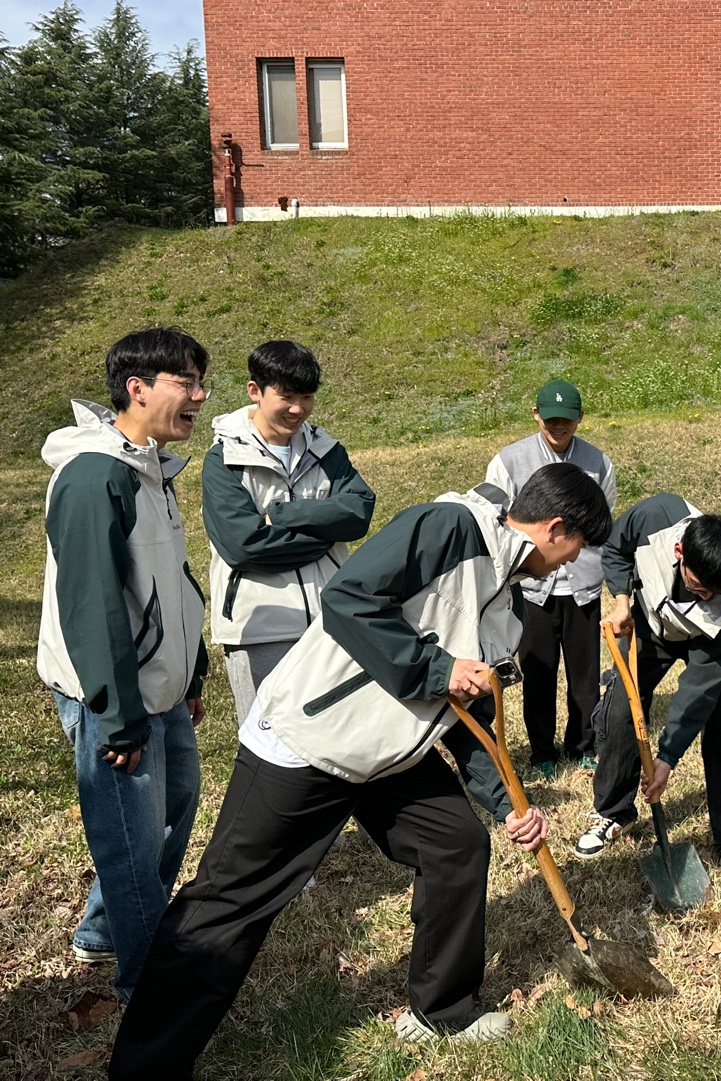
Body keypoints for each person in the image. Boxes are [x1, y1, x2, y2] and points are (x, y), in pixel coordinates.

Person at [108, 462, 612, 1079]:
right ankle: (145, 1067)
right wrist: (437, 669)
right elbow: (349, 598)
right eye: (577, 548)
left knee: (456, 844)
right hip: (310, 739)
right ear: (556, 528)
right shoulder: (450, 527)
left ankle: (441, 1011)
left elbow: (471, 715)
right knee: (230, 900)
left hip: (388, 752)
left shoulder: (506, 602)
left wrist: (510, 804)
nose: (572, 563)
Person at [36, 328, 211, 1002]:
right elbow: (92, 605)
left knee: (176, 806)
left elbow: (171, 579)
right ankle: (148, 986)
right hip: (113, 695)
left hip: (160, 685)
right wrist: (119, 715)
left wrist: (190, 672)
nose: (200, 395)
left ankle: (103, 930)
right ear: (137, 388)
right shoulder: (94, 475)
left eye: (199, 381)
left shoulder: (149, 467)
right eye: (185, 381)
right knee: (133, 843)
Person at [576, 492, 721, 879]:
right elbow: (615, 548)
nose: (706, 597)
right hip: (651, 627)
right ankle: (613, 812)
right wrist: (621, 600)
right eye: (698, 586)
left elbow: (698, 690)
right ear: (680, 552)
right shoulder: (655, 517)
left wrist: (666, 758)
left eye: (715, 591)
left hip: (709, 640)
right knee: (618, 711)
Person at [204, 340, 375, 723]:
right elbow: (245, 547)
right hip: (261, 631)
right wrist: (325, 534)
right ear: (255, 391)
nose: (298, 409)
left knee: (336, 731)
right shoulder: (224, 459)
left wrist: (282, 515)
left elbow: (358, 513)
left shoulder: (326, 450)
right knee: (266, 736)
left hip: (330, 623)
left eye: (307, 397)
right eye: (287, 396)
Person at [485, 379, 616, 779]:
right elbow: (496, 518)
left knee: (585, 676)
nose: (558, 426)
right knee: (538, 672)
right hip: (531, 588)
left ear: (580, 418)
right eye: (550, 418)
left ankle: (582, 745)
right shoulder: (508, 460)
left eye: (567, 419)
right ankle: (542, 750)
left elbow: (602, 522)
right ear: (536, 414)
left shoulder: (599, 462)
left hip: (583, 588)